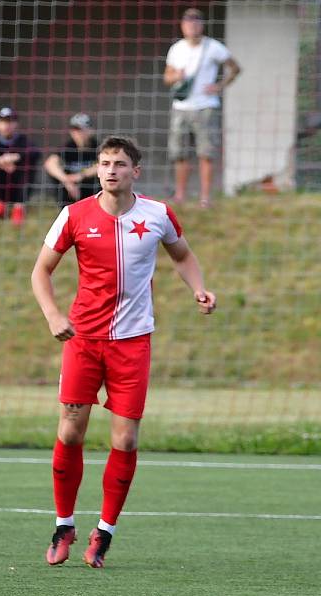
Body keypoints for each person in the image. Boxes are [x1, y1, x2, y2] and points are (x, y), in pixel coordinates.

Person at [31, 135, 216, 568]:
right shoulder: (74, 215)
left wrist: (200, 288)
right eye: (104, 163)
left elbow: (183, 256)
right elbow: (41, 271)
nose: (110, 170)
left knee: (126, 437)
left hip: (133, 343)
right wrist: (54, 315)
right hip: (83, 340)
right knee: (70, 431)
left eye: (119, 163)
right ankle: (64, 524)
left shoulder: (157, 214)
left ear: (136, 171)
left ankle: (105, 531)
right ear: (97, 169)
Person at [163, 8, 241, 208]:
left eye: (196, 22)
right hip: (181, 107)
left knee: (205, 153)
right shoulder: (176, 49)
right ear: (182, 25)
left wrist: (219, 86)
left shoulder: (214, 47)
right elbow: (167, 78)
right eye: (188, 22)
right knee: (179, 153)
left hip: (206, 107)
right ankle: (180, 196)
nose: (192, 25)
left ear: (201, 25)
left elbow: (235, 68)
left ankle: (205, 198)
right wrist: (176, 77)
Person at [0, 106, 41, 226]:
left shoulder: (23, 140)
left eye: (10, 122)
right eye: (3, 122)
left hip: (17, 186)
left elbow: (36, 152)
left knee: (29, 163)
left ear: (16, 124)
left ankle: (19, 207)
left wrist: (17, 157)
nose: (7, 126)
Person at [43, 113, 100, 205]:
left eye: (81, 129)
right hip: (70, 189)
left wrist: (81, 175)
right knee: (58, 175)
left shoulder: (98, 147)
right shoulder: (68, 147)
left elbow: (105, 165)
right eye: (74, 129)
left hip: (91, 191)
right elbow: (50, 163)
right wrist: (66, 180)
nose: (77, 132)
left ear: (91, 130)